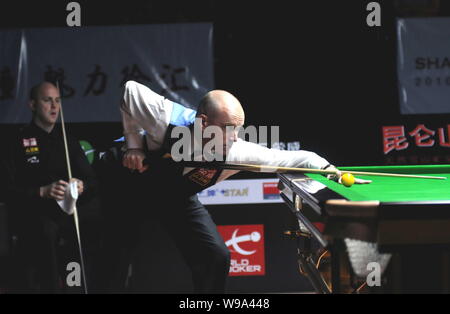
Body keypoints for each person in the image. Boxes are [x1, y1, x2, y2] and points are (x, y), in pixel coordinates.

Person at [117, 80, 345, 293]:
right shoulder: (166, 118)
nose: (234, 137)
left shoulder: (237, 152)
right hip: (129, 188)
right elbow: (129, 89)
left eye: (238, 128)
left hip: (175, 199)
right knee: (116, 254)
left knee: (215, 256)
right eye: (227, 127)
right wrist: (133, 145)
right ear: (203, 122)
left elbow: (297, 159)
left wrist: (332, 171)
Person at [0, 81, 101, 293]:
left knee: (88, 225)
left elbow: (91, 180)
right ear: (33, 105)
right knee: (46, 231)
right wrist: (41, 191)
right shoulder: (16, 141)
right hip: (33, 212)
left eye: (57, 101)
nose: (54, 106)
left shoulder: (68, 141)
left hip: (68, 212)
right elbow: (7, 189)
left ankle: (77, 287)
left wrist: (80, 184)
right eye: (47, 100)